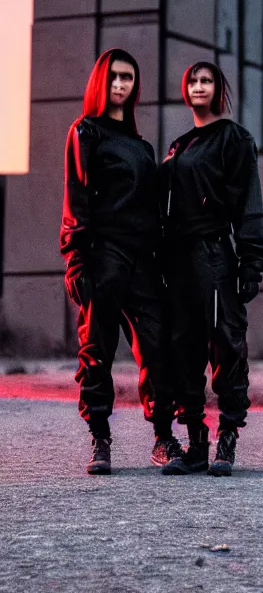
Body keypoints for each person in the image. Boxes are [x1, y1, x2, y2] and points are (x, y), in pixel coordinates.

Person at [60, 48, 181, 475]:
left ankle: (164, 438)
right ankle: (99, 439)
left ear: (135, 86)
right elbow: (76, 198)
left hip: (143, 259)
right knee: (97, 350)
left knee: (157, 346)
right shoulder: (85, 132)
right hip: (103, 255)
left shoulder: (141, 146)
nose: (120, 84)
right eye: (113, 77)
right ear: (101, 81)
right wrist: (75, 257)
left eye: (128, 77)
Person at [160, 61, 263, 477]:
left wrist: (252, 261)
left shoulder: (234, 139)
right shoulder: (179, 145)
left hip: (215, 254)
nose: (199, 86)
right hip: (177, 260)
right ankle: (195, 442)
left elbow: (249, 203)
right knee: (183, 348)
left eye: (207, 80)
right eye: (193, 80)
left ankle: (227, 438)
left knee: (226, 344)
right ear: (184, 90)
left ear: (218, 89)